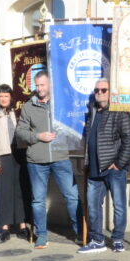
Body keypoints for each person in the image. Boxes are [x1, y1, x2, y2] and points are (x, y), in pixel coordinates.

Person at [16, 71, 82, 250]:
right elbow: (20, 132)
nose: (39, 89)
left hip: (60, 156)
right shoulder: (28, 106)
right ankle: (42, 235)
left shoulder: (61, 104)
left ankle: (80, 233)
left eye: (42, 85)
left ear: (50, 85)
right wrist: (38, 136)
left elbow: (75, 122)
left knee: (72, 196)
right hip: (37, 160)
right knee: (38, 200)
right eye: (37, 85)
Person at [79, 78, 130, 254]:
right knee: (93, 205)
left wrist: (119, 163)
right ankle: (97, 240)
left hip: (113, 168)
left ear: (111, 93)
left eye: (104, 90)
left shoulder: (119, 112)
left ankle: (118, 239)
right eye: (97, 90)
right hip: (95, 168)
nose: (99, 93)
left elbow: (129, 139)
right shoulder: (93, 112)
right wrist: (86, 161)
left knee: (118, 205)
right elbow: (89, 140)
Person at [0, 84, 30, 243]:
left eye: (6, 96)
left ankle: (22, 225)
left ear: (11, 97)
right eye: (1, 96)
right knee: (4, 193)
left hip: (20, 155)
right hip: (3, 156)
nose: (4, 99)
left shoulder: (17, 112)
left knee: (20, 191)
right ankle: (4, 228)